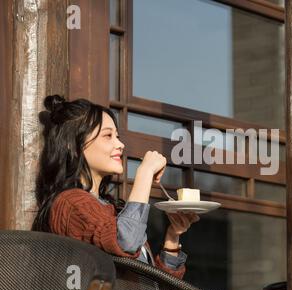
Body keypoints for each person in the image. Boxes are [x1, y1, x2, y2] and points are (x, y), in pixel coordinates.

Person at [32, 95, 199, 279]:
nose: (120, 144)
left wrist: (172, 237)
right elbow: (125, 242)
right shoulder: (70, 204)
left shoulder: (113, 211)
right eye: (108, 136)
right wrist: (144, 174)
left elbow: (156, 287)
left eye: (117, 136)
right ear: (73, 146)